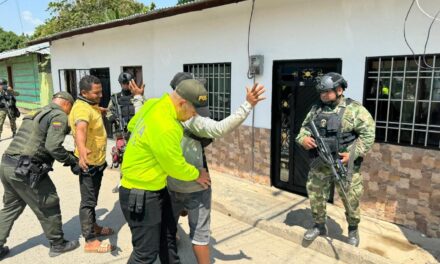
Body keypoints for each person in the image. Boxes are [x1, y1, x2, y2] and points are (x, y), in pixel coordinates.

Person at [165, 73, 266, 264]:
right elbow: (220, 129)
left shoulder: (162, 115)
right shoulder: (192, 119)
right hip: (196, 184)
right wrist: (248, 105)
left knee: (169, 227)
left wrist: (138, 98)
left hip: (171, 183)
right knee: (200, 235)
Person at [119, 79, 211, 264]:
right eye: (193, 111)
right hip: (142, 193)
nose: (193, 116)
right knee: (145, 254)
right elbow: (175, 166)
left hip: (156, 188)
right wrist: (197, 174)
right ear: (183, 103)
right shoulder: (167, 125)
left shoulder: (154, 104)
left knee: (166, 240)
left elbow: (131, 126)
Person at [295, 72, 375, 247]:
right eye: (321, 92)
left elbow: (368, 134)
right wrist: (304, 139)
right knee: (316, 194)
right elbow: (303, 130)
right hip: (319, 163)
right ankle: (319, 226)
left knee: (350, 197)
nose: (322, 95)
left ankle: (353, 229)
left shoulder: (354, 110)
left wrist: (353, 153)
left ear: (339, 90)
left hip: (343, 163)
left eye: (326, 92)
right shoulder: (316, 109)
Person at [0, 91, 80, 259]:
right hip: (25, 170)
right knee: (49, 202)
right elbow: (53, 147)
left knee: (10, 208)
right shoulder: (59, 115)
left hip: (7, 164)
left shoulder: (37, 111)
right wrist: (72, 160)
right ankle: (58, 244)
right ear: (67, 104)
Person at [68, 75, 115, 253]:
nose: (100, 95)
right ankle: (89, 240)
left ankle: (94, 226)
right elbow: (81, 128)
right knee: (88, 202)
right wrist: (82, 150)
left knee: (93, 199)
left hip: (98, 161)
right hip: (89, 163)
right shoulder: (81, 110)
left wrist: (99, 110)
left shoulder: (89, 105)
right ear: (84, 93)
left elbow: (91, 112)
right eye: (96, 93)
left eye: (101, 91)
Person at [106, 72, 145, 192]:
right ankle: (123, 182)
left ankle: (138, 181)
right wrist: (111, 116)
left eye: (128, 83)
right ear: (120, 84)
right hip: (121, 133)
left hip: (136, 133)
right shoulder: (115, 98)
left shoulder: (139, 96)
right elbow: (108, 111)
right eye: (124, 83)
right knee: (123, 159)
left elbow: (145, 111)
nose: (126, 85)